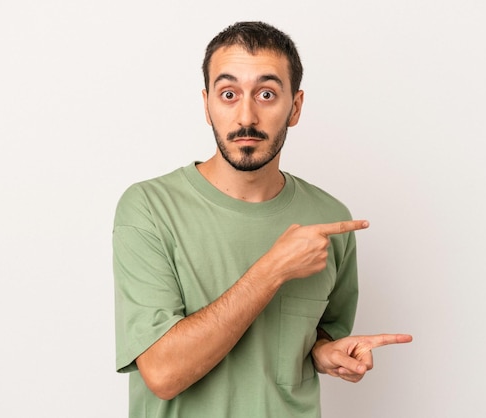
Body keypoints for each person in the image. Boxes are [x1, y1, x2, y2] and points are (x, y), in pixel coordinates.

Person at [113, 21, 412, 418]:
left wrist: (324, 352)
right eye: (229, 93)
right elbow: (164, 373)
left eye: (267, 94)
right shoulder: (149, 208)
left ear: (296, 107)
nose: (246, 115)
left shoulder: (329, 218)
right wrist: (273, 269)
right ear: (207, 105)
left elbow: (317, 336)